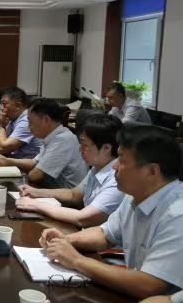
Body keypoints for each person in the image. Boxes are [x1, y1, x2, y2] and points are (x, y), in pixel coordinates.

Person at [39, 125, 183, 299]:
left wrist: (77, 260)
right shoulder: (134, 196)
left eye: (121, 160)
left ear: (152, 171)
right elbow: (105, 234)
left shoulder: (177, 215)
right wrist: (67, 240)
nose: (114, 166)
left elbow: (149, 285)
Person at [16, 114, 124, 227]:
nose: (80, 149)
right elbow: (74, 194)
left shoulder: (117, 178)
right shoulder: (98, 167)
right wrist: (36, 192)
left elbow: (83, 218)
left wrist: (35, 205)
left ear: (106, 148)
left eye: (85, 145)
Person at [0, 98, 87, 188]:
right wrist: (6, 160)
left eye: (30, 122)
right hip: (50, 190)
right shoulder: (52, 136)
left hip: (64, 199)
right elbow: (34, 162)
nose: (28, 127)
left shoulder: (63, 139)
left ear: (45, 120)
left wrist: (18, 168)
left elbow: (35, 175)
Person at [0, 87, 42, 159]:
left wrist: (1, 127)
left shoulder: (26, 121)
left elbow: (3, 148)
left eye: (4, 104)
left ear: (18, 105)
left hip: (26, 163)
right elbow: (3, 139)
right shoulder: (13, 118)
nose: (1, 108)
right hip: (15, 159)